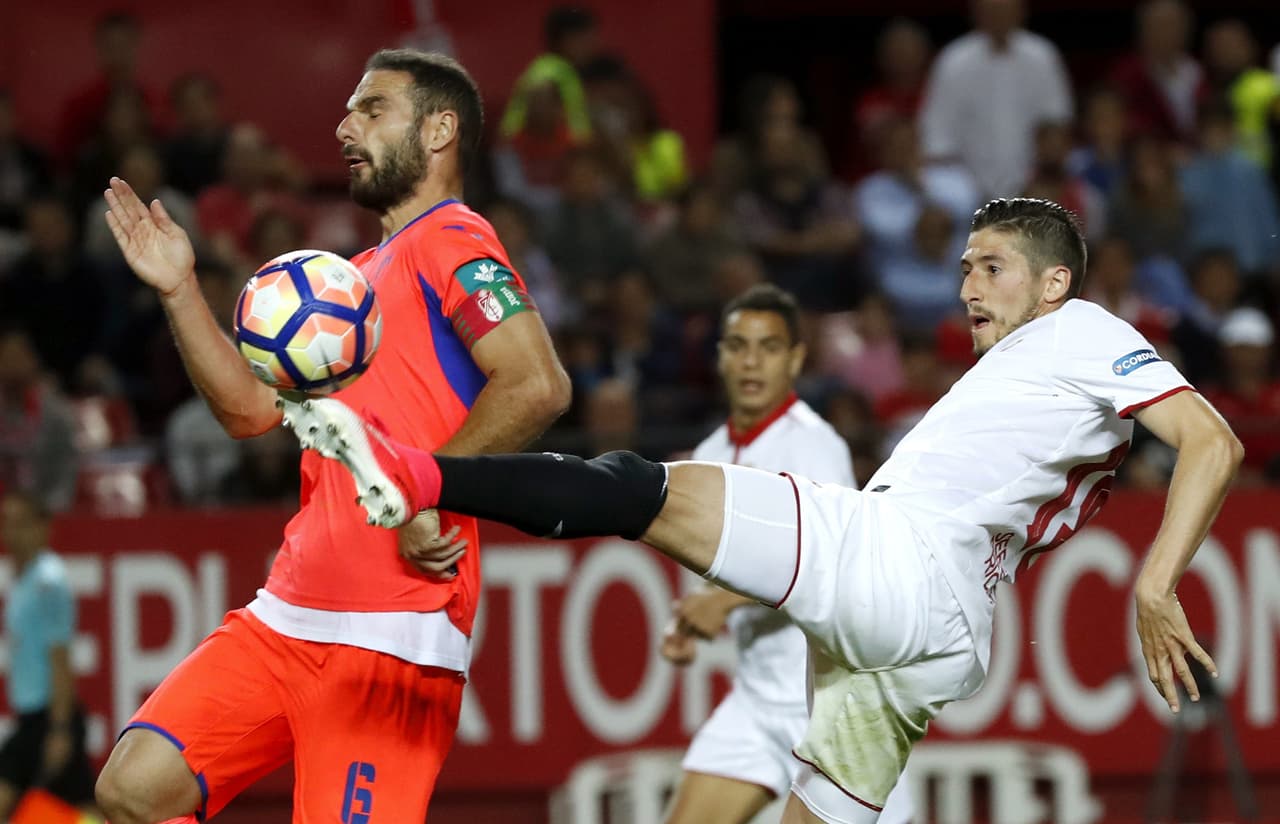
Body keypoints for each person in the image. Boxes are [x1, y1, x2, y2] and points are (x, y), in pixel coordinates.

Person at [285, 197, 1242, 823]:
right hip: (941, 633)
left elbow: (1215, 440)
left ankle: (416, 474)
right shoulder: (1028, 377)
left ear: (1056, 284)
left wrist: (1157, 584)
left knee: (631, 487)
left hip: (895, 566)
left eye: (989, 267)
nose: (965, 288)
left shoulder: (1083, 330)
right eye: (962, 267)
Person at [93, 48, 571, 824]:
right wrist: (181, 291)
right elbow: (250, 411)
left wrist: (426, 487)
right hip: (288, 612)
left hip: (393, 633)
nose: (345, 126)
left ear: (440, 129)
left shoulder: (454, 237)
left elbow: (538, 381)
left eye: (372, 109)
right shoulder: (350, 285)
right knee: (132, 791)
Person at [659, 284, 912, 824]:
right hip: (757, 699)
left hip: (831, 703)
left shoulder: (814, 446)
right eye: (738, 346)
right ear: (721, 356)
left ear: (796, 358)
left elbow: (824, 562)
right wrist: (690, 620)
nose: (752, 361)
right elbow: (722, 570)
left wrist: (722, 607)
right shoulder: (707, 456)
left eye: (769, 347)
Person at [0, 491, 95, 820]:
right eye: (7, 523)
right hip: (31, 720)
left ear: (42, 528)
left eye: (20, 524)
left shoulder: (47, 582)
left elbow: (60, 658)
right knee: (82, 810)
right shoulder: (24, 579)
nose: (11, 532)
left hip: (48, 721)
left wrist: (60, 729)